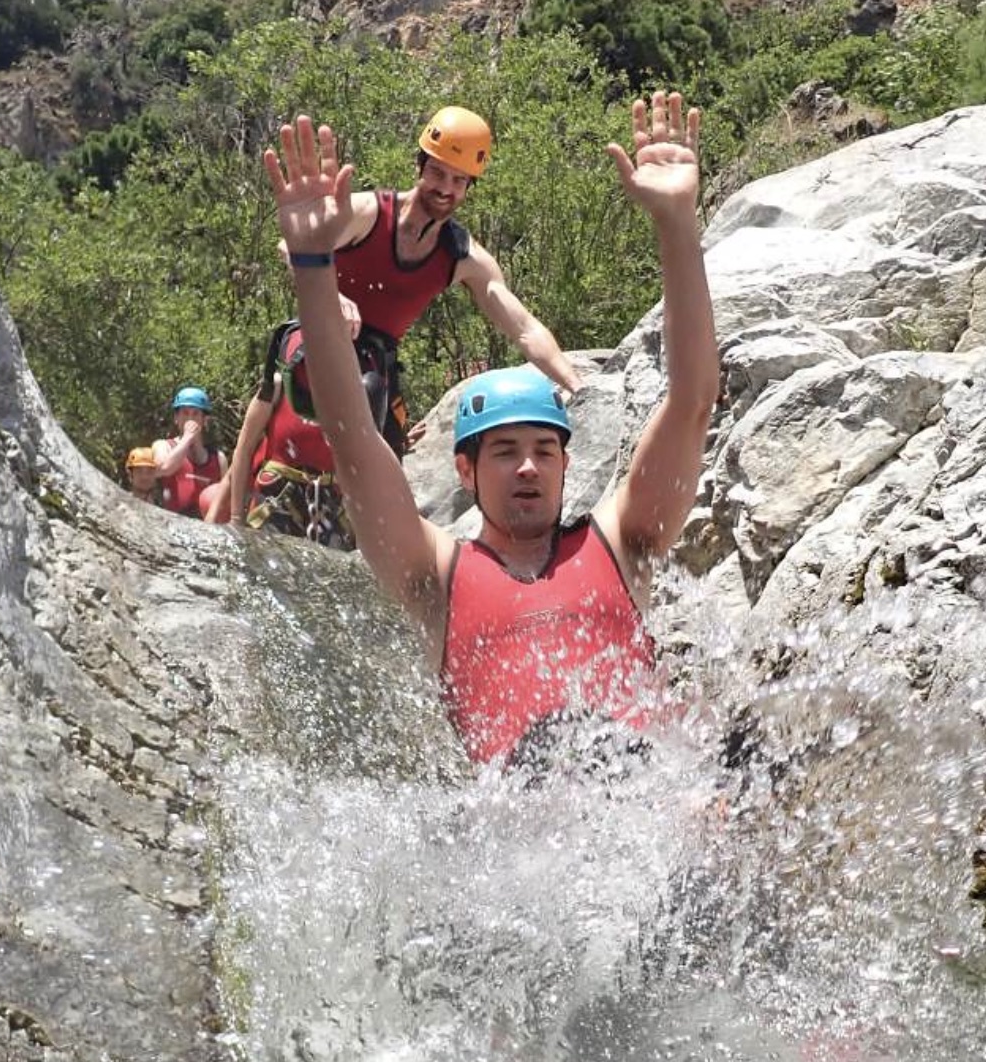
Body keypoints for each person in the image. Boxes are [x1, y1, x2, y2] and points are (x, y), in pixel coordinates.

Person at [262, 91, 717, 768]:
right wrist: (313, 268)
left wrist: (678, 225)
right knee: (553, 752)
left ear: (567, 464)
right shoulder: (433, 575)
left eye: (542, 450)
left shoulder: (626, 541)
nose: (528, 467)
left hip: (649, 800)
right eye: (505, 453)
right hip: (530, 804)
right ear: (465, 472)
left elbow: (692, 403)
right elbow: (353, 439)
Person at [219, 106, 586, 546]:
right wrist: (330, 294)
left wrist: (574, 383)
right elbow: (290, 243)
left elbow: (523, 327)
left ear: (469, 187)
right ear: (419, 167)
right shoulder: (371, 213)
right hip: (319, 340)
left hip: (375, 372)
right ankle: (240, 507)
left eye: (458, 180)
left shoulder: (462, 257)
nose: (445, 188)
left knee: (374, 394)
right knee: (296, 375)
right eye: (437, 173)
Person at [153, 386, 224, 519]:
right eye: (185, 413)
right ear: (176, 418)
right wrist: (187, 438)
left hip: (208, 528)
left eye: (195, 413)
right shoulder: (163, 446)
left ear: (204, 420)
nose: (190, 418)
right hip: (173, 524)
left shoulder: (218, 458)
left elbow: (225, 495)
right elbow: (163, 468)